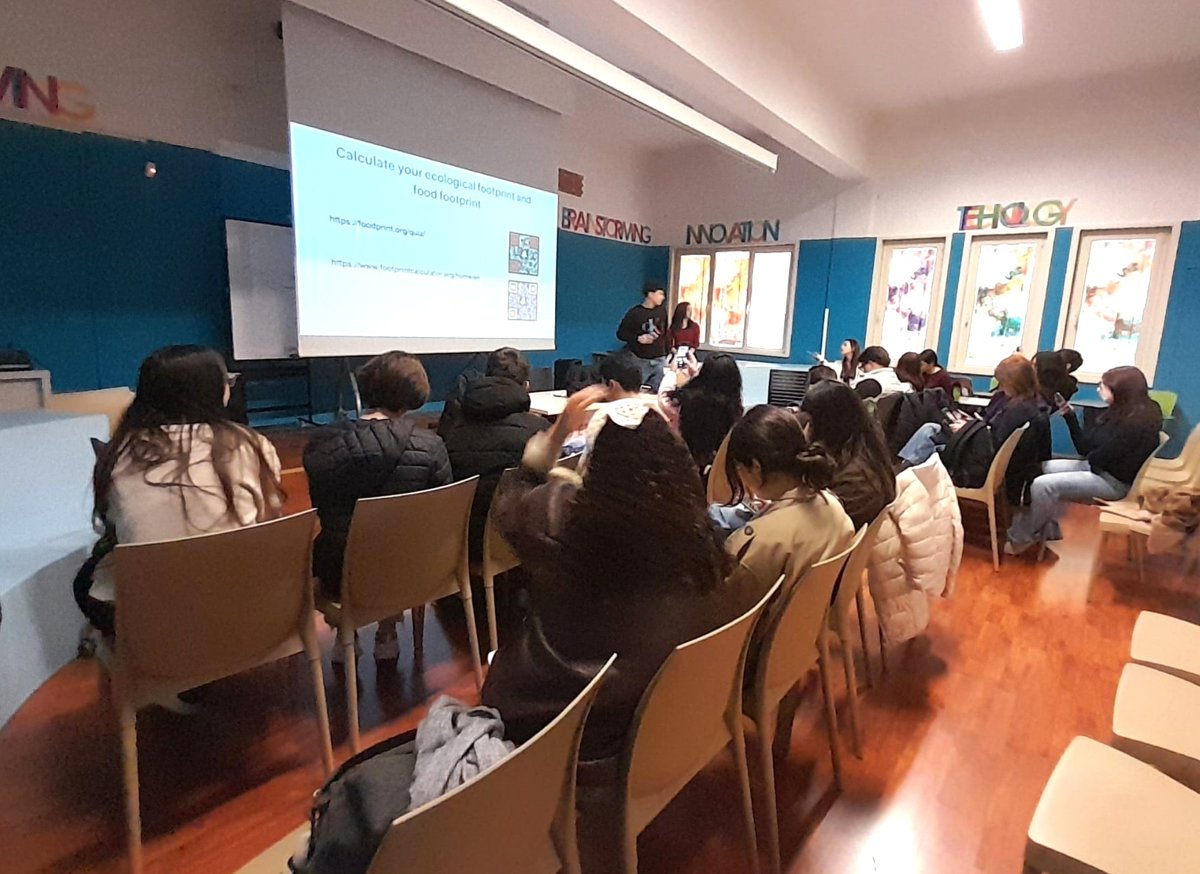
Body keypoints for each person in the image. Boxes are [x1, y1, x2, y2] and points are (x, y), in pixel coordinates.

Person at [481, 386, 764, 761]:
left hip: (562, 727)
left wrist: (556, 435)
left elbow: (508, 502)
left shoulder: (556, 518)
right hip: (666, 728)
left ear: (593, 465)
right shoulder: (701, 538)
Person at [76, 345, 284, 635]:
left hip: (154, 619)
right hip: (249, 604)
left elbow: (112, 525)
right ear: (212, 390)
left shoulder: (119, 453)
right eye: (227, 381)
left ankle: (130, 656)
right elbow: (270, 517)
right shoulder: (251, 443)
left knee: (85, 579)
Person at [304, 351, 452, 660]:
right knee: (398, 543)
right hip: (412, 570)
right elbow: (440, 516)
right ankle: (387, 633)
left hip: (340, 573)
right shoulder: (431, 446)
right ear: (415, 392)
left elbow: (323, 509)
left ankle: (346, 635)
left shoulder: (322, 445)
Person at [1006, 365, 1162, 554]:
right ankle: (1048, 528)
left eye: (1103, 387)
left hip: (1115, 482)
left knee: (1042, 485)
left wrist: (1092, 451)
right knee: (1040, 468)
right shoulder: (1125, 411)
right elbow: (1088, 449)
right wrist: (1070, 417)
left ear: (1121, 391)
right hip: (1101, 468)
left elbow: (1096, 455)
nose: (1099, 390)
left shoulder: (1136, 423)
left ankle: (1024, 536)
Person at [722, 404, 856, 593]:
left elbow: (727, 604)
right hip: (813, 609)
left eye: (739, 469)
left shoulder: (759, 543)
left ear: (756, 468)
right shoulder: (833, 504)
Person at [442, 347, 550, 563]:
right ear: (526, 386)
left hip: (459, 544)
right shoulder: (540, 432)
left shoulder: (452, 427)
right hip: (519, 542)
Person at [801, 381, 898, 529]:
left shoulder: (854, 481)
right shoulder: (868, 453)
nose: (806, 429)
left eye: (810, 422)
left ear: (825, 426)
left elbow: (810, 525)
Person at [667, 352, 744, 477]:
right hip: (717, 462)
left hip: (685, 456)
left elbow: (665, 400)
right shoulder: (731, 405)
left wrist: (673, 373)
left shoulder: (688, 397)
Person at [615, 282, 668, 391]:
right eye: (660, 294)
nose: (663, 297)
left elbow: (665, 332)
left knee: (660, 390)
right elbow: (621, 333)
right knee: (635, 389)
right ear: (650, 294)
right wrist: (638, 338)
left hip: (659, 358)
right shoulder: (635, 313)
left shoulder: (662, 311)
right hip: (640, 359)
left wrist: (667, 352)